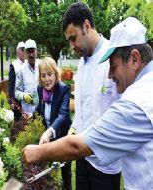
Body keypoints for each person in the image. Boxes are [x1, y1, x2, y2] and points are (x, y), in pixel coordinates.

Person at [23, 17, 153, 190]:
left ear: (135, 59)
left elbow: (79, 146)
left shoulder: (137, 102)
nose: (109, 76)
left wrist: (37, 152)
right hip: (88, 158)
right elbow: (82, 109)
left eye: (113, 67)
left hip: (106, 162)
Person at [62, 2, 121, 190]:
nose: (72, 46)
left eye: (73, 38)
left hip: (106, 164)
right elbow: (82, 108)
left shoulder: (113, 57)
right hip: (82, 158)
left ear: (86, 26)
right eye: (69, 41)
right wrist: (73, 129)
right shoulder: (81, 64)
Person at [36, 57, 72, 190]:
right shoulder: (40, 89)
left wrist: (49, 132)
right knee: (51, 173)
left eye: (49, 74)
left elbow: (63, 115)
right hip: (48, 139)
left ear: (56, 74)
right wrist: (31, 116)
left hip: (63, 137)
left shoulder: (63, 90)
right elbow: (40, 109)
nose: (46, 79)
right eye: (43, 75)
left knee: (65, 174)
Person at [15, 39, 39, 115]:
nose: (31, 54)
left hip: (42, 110)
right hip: (27, 111)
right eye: (29, 52)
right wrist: (23, 96)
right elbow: (16, 91)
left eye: (33, 51)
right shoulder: (21, 70)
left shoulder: (42, 66)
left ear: (36, 52)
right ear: (25, 53)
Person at [8, 41, 25, 120]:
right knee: (19, 120)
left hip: (27, 97)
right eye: (22, 50)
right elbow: (11, 84)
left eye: (25, 50)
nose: (24, 52)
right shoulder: (14, 65)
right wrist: (12, 100)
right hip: (17, 99)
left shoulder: (28, 64)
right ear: (18, 52)